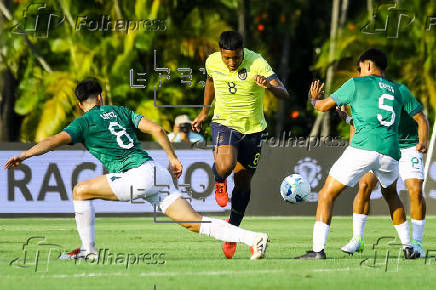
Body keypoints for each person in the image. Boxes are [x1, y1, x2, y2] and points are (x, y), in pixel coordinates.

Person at [4, 79, 269, 260]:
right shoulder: (119, 111)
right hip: (156, 171)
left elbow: (52, 142)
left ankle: (88, 251)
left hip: (137, 176)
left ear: (79, 104)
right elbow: (156, 129)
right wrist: (173, 158)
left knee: (80, 191)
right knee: (195, 223)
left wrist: (26, 154)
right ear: (100, 97)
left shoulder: (83, 122)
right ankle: (253, 237)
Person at [295, 48, 428, 260]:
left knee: (326, 194)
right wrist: (348, 119)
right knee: (391, 194)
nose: (358, 72)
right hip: (391, 153)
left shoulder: (356, 84)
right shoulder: (398, 89)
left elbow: (322, 107)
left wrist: (314, 100)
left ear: (367, 64)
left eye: (359, 68)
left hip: (363, 148)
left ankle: (317, 250)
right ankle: (408, 246)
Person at [192, 31, 289, 259]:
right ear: (220, 53)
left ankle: (231, 230)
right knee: (225, 166)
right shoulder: (212, 62)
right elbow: (210, 82)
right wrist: (205, 112)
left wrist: (269, 86)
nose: (231, 63)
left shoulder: (257, 62)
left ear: (242, 51)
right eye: (227, 58)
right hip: (224, 124)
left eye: (235, 58)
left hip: (253, 129)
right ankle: (218, 179)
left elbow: (284, 93)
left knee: (243, 181)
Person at [339, 100, 428, 257]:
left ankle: (416, 244)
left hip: (408, 147)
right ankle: (357, 239)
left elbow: (421, 118)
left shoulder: (399, 92)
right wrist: (346, 118)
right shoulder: (364, 95)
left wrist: (422, 141)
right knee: (365, 186)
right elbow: (360, 124)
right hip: (381, 146)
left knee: (415, 191)